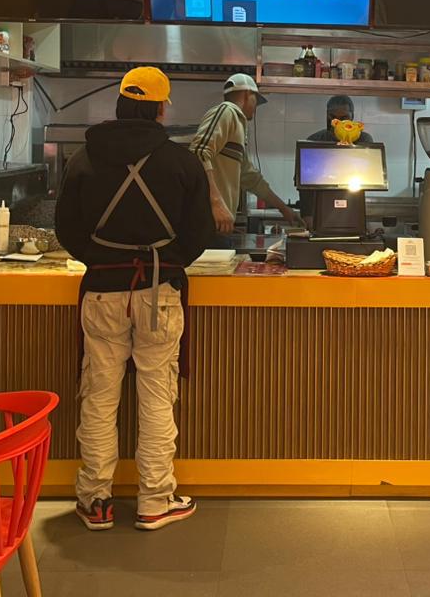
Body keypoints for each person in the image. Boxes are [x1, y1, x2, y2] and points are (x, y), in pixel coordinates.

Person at [55, 66, 215, 533]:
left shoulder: (84, 157)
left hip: (102, 291)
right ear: (161, 109)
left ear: (121, 103)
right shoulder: (181, 162)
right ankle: (155, 500)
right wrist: (171, 259)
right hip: (159, 291)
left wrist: (101, 258)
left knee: (99, 396)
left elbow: (66, 229)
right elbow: (200, 232)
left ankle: (95, 500)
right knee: (157, 394)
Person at [191, 73, 304, 235]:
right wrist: (216, 202)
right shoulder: (226, 111)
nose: (256, 108)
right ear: (247, 94)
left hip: (219, 225)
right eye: (255, 100)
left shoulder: (238, 124)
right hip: (207, 222)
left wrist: (284, 209)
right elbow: (198, 152)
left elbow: (251, 178)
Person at [305, 95, 375, 145]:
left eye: (344, 118)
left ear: (352, 117)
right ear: (327, 116)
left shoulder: (364, 140)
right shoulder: (315, 140)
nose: (339, 123)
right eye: (333, 117)